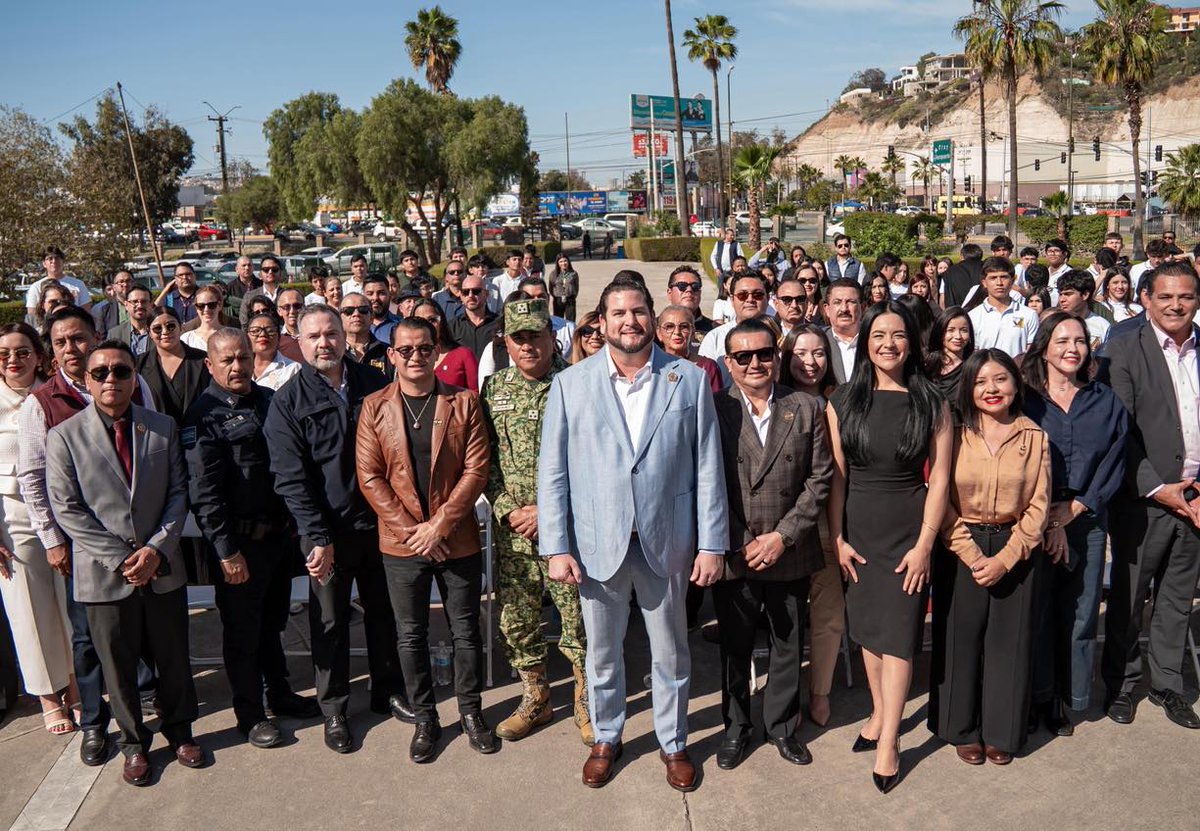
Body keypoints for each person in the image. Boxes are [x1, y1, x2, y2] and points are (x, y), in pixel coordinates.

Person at [538, 275, 728, 792]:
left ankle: (673, 741)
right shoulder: (570, 384)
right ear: (601, 322)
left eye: (638, 311)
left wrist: (711, 543)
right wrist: (556, 546)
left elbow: (707, 466)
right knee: (602, 653)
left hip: (667, 541)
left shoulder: (687, 380)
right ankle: (606, 736)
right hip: (597, 543)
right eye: (618, 313)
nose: (630, 321)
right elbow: (552, 472)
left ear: (653, 316)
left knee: (671, 652)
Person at [45, 341, 201, 786]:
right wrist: (122, 558)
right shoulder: (64, 436)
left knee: (173, 658)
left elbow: (179, 493)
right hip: (103, 574)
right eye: (100, 373)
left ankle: (181, 732)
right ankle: (134, 744)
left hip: (161, 567)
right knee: (117, 666)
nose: (111, 379)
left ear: (135, 377)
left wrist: (156, 550)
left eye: (121, 371)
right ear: (87, 380)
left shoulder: (161, 427)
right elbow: (67, 508)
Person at [265, 304, 408, 754]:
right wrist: (318, 537)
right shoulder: (287, 403)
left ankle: (388, 691)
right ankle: (335, 708)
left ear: (345, 337)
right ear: (300, 342)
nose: (324, 343)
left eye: (331, 334)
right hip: (326, 534)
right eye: (313, 337)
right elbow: (290, 479)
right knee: (330, 621)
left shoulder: (375, 384)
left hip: (379, 525)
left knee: (385, 612)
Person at [17, 307, 155, 766]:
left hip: (137, 537)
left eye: (78, 338)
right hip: (82, 544)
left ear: (96, 336)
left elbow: (156, 448)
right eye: (60, 342)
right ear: (51, 352)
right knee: (87, 637)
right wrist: (52, 539)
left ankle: (145, 698)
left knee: (142, 627)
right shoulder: (42, 403)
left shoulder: (131, 380)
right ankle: (95, 722)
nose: (71, 349)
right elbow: (32, 478)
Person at [826, 301, 951, 793]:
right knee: (870, 632)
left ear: (912, 343)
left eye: (898, 335)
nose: (888, 344)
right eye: (878, 335)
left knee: (898, 635)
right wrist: (837, 538)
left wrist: (925, 545)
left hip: (908, 532)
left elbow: (940, 480)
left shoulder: (932, 401)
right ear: (865, 342)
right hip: (859, 532)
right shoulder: (842, 401)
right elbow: (838, 478)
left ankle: (890, 741)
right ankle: (879, 713)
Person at [356, 317, 495, 762]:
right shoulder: (374, 406)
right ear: (391, 355)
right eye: (406, 350)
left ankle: (471, 712)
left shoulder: (463, 402)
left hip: (456, 538)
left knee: (465, 630)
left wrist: (440, 526)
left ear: (436, 352)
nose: (415, 356)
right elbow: (370, 476)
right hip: (403, 544)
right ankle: (426, 717)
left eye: (423, 348)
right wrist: (415, 532)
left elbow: (477, 468)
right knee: (410, 634)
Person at [183, 329, 320, 748]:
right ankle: (250, 713)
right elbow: (205, 494)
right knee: (243, 633)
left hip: (278, 539)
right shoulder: (203, 416)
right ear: (210, 365)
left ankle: (279, 693)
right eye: (227, 360)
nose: (237, 367)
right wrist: (226, 552)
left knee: (273, 623)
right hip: (240, 546)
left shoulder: (269, 400)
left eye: (243, 357)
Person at [711, 318, 832, 770]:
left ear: (777, 358)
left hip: (789, 546)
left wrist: (782, 536)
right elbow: (708, 483)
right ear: (729, 363)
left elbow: (819, 479)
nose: (755, 363)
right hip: (737, 549)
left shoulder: (806, 406)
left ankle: (781, 726)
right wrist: (743, 540)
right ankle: (736, 727)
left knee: (788, 642)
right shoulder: (715, 409)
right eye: (743, 356)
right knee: (735, 646)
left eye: (764, 354)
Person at [929, 349, 1050, 766]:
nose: (991, 389)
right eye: (980, 381)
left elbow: (1038, 506)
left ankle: (1002, 731)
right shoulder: (953, 432)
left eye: (1000, 379)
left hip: (1015, 546)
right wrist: (969, 551)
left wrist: (1006, 558)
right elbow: (940, 496)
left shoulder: (1034, 436)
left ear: (1016, 384)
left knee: (1008, 643)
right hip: (960, 543)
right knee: (959, 638)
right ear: (968, 388)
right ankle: (959, 727)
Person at [481, 298, 591, 745]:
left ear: (552, 338)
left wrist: (549, 512)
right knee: (517, 616)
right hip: (512, 531)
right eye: (519, 337)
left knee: (578, 616)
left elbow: (593, 459)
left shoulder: (578, 383)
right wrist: (508, 508)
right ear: (506, 342)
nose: (527, 346)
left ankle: (587, 696)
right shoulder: (493, 389)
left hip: (567, 529)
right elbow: (482, 458)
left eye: (536, 336)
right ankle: (536, 696)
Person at [1098, 262, 1200, 730]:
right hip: (1144, 498)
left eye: (1186, 297)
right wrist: (1159, 488)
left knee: (1178, 597)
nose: (1176, 305)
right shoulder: (1123, 348)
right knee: (1130, 595)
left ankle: (1166, 683)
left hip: (1195, 499)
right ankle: (1121, 684)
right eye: (1166, 297)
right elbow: (1118, 430)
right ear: (1147, 299)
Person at [1020, 312, 1127, 735]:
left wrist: (1078, 507)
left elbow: (1115, 459)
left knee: (1081, 613)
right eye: (1062, 340)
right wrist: (1049, 518)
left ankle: (1067, 698)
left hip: (1087, 518)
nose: (1072, 348)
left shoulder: (1104, 401)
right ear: (1044, 347)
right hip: (1034, 519)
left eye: (1080, 341)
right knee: (1037, 611)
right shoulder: (1024, 400)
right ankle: (1036, 696)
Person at [0, 324, 78, 735]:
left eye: (22, 351)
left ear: (38, 355)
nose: (13, 360)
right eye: (4, 354)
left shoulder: (53, 394)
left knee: (69, 606)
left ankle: (77, 686)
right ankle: (49, 696)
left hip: (60, 512)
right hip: (11, 519)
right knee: (29, 612)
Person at [777, 323, 843, 725]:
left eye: (818, 353)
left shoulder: (841, 401)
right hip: (785, 523)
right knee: (786, 613)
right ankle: (784, 696)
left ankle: (820, 692)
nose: (810, 362)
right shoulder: (775, 399)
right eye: (800, 353)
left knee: (828, 611)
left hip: (830, 521)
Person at [137, 307, 211, 425]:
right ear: (149, 332)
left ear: (180, 327)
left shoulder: (203, 359)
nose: (165, 332)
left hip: (200, 431)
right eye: (157, 329)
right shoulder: (139, 364)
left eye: (171, 326)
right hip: (157, 431)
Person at [698, 272, 771, 383]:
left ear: (768, 298)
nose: (750, 299)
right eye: (742, 295)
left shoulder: (780, 335)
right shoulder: (715, 338)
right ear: (732, 300)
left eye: (757, 294)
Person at [966, 257, 1039, 358]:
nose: (999, 283)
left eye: (1004, 277)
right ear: (984, 283)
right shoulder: (973, 317)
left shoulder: (1028, 315)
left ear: (1012, 280)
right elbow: (974, 355)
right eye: (993, 278)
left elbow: (1031, 354)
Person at [410, 298, 479, 392]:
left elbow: (476, 395)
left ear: (441, 322)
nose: (427, 326)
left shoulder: (463, 355)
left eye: (432, 320)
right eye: (420, 322)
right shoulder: (407, 357)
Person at [656, 305, 721, 393]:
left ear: (693, 332)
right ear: (659, 333)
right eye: (669, 326)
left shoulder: (707, 367)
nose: (677, 332)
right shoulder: (650, 365)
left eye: (684, 326)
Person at [925, 306, 975, 415]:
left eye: (964, 330)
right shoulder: (926, 366)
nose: (958, 336)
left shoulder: (974, 366)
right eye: (951, 330)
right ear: (940, 332)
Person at [25, 247, 91, 320]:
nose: (54, 261)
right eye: (50, 259)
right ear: (44, 263)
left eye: (57, 258)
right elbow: (32, 314)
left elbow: (86, 312)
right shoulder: (36, 287)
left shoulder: (78, 284)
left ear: (63, 261)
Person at [449, 273, 500, 361]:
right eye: (465, 292)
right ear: (461, 296)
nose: (470, 295)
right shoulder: (452, 327)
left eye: (476, 291)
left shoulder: (500, 324)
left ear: (486, 294)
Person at [822, 278, 864, 384]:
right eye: (837, 302)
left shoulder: (874, 339)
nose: (844, 309)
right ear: (827, 309)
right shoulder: (819, 340)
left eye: (851, 302)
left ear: (862, 307)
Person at [247, 311, 302, 392]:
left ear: (279, 337)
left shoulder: (293, 369)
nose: (262, 334)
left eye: (270, 331)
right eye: (255, 331)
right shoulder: (241, 367)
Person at [1056, 270, 1111, 350]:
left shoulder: (1103, 326)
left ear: (1085, 295)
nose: (1062, 299)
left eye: (1068, 294)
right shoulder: (1054, 323)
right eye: (1060, 294)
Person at [340, 293, 390, 377]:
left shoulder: (387, 352)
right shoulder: (333, 352)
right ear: (339, 318)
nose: (356, 314)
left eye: (363, 310)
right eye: (348, 311)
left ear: (372, 317)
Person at [665, 265, 715, 344]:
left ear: (700, 293)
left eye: (695, 286)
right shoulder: (653, 330)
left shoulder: (716, 331)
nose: (689, 290)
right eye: (682, 286)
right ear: (669, 293)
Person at [239, 255, 285, 326]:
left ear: (280, 274)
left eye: (274, 269)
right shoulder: (249, 297)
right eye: (266, 269)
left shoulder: (288, 296)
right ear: (260, 274)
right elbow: (244, 323)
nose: (270, 272)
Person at [180, 285, 227, 352]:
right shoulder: (186, 339)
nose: (206, 310)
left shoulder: (232, 335)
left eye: (211, 305)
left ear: (219, 305)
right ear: (196, 308)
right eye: (201, 305)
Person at [92, 270, 133, 339]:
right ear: (114, 286)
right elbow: (101, 338)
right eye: (121, 282)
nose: (125, 284)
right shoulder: (105, 311)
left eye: (128, 281)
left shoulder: (142, 305)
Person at [941, 243, 984, 308]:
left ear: (961, 256)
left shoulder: (949, 272)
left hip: (957, 312)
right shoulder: (988, 269)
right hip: (986, 311)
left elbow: (942, 301)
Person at [364, 273, 401, 345]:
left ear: (389, 295)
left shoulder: (402, 325)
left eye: (381, 293)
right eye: (370, 294)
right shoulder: (354, 325)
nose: (375, 298)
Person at [274, 288, 307, 363]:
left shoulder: (315, 335)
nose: (292, 311)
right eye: (286, 307)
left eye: (297, 306)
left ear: (304, 307)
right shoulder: (275, 340)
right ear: (279, 311)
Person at [548, 254, 580, 321]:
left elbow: (576, 287)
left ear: (568, 261)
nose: (563, 263)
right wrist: (557, 295)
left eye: (565, 261)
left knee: (571, 321)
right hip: (558, 300)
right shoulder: (553, 274)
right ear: (557, 263)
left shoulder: (573, 273)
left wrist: (571, 295)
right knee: (558, 321)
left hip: (570, 299)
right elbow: (551, 287)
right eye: (561, 261)